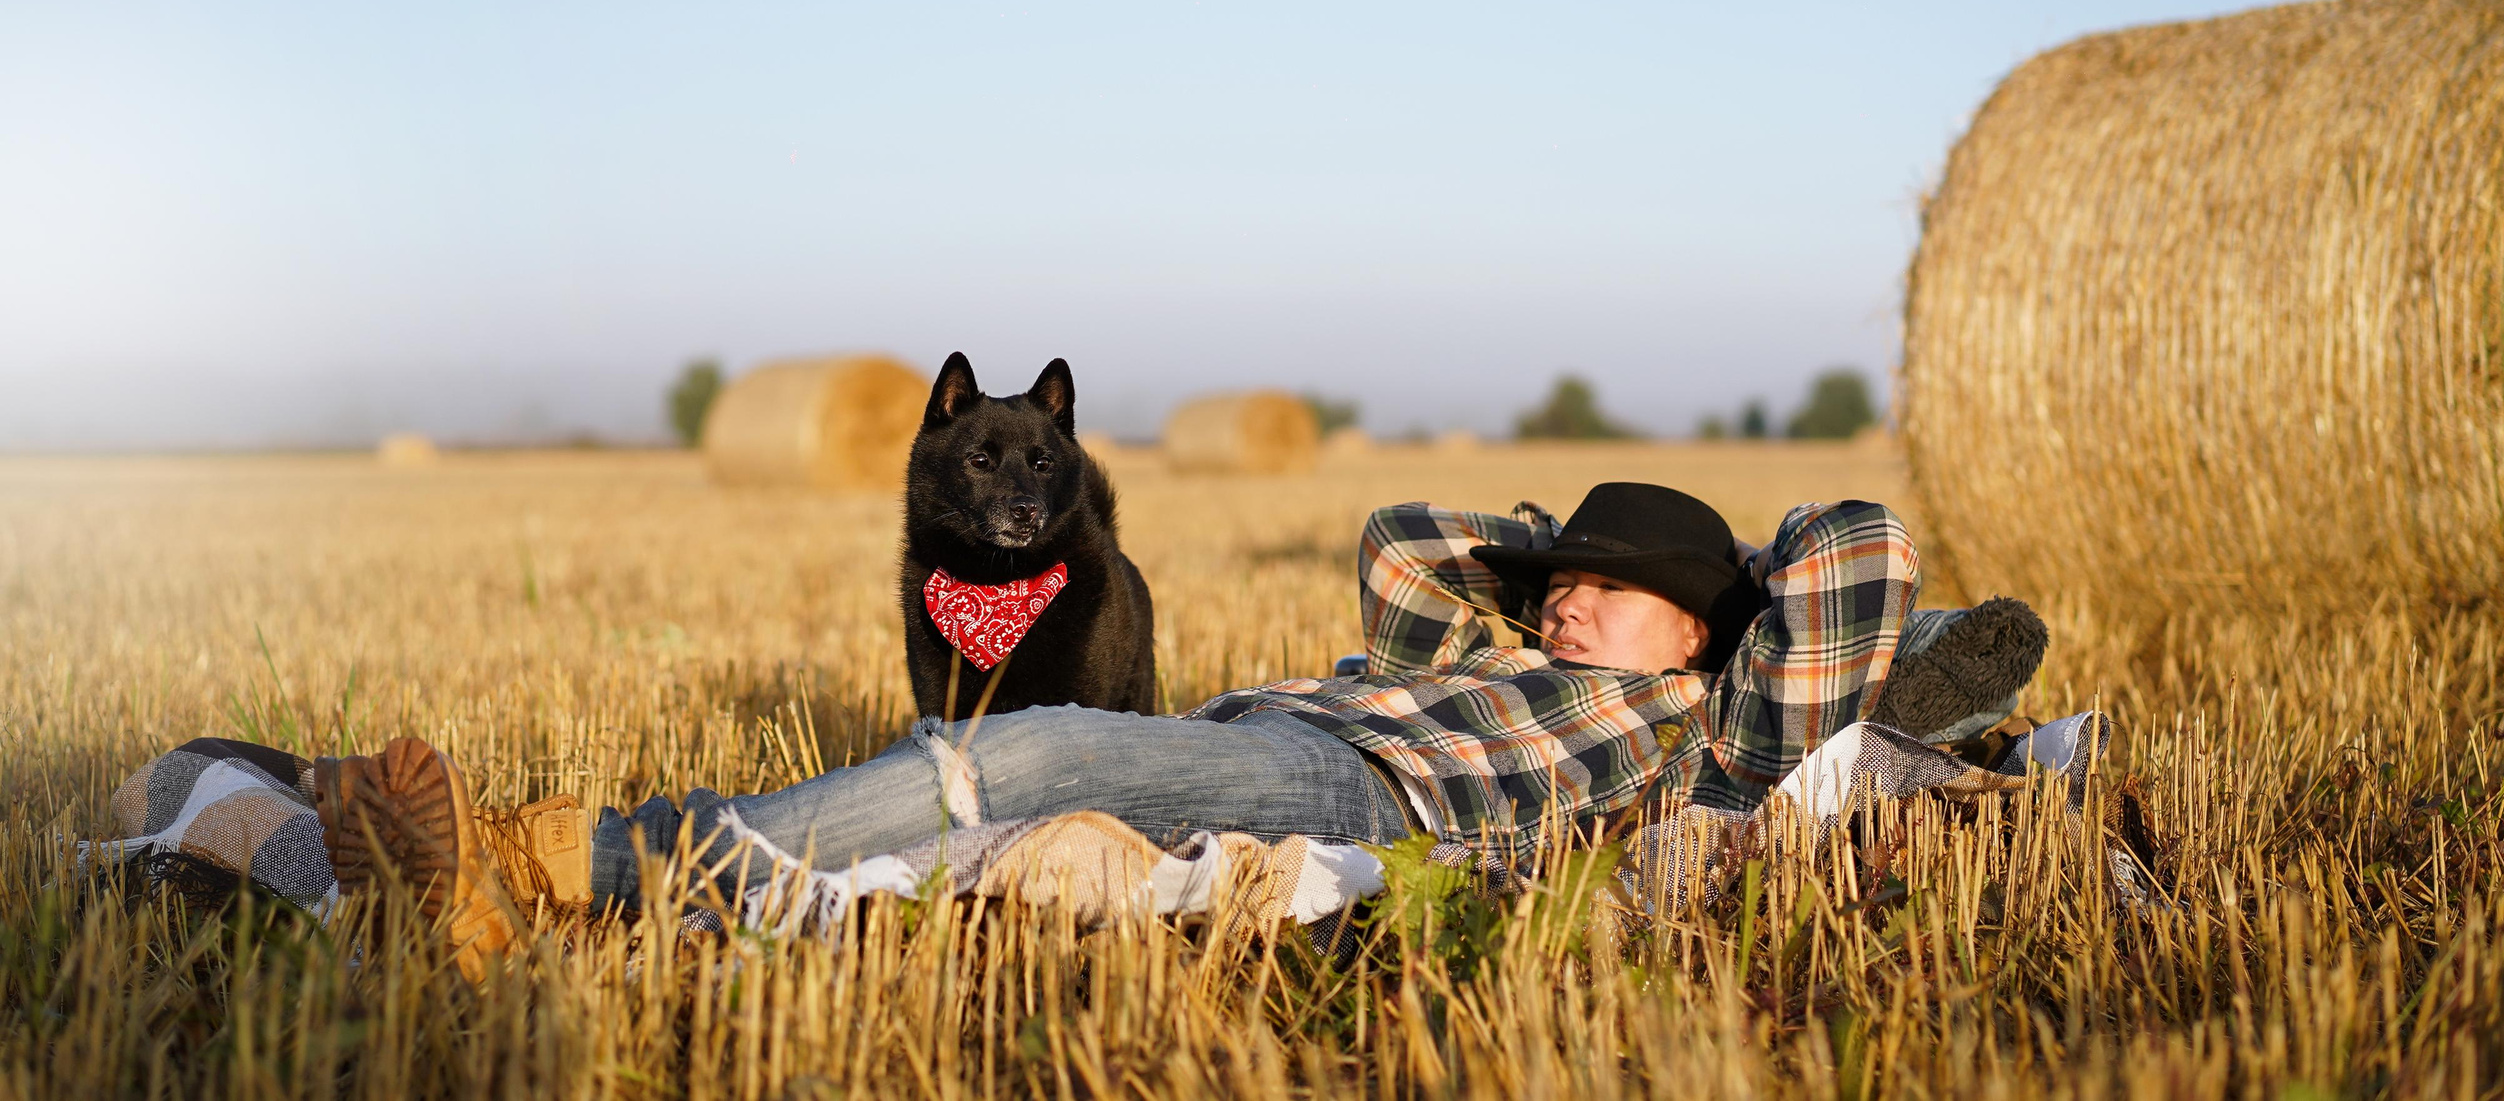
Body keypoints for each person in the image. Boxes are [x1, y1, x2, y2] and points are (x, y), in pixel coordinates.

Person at [317, 482, 1916, 976]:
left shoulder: (1710, 726)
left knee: (1009, 760)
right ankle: (525, 898)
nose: (1567, 603)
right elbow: (1400, 547)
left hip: (1376, 798)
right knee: (958, 821)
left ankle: (566, 857)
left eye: (1612, 591)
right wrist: (1543, 553)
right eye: (1563, 584)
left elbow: (1866, 550)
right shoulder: (1491, 643)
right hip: (1276, 743)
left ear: (1698, 630)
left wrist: (1731, 585)